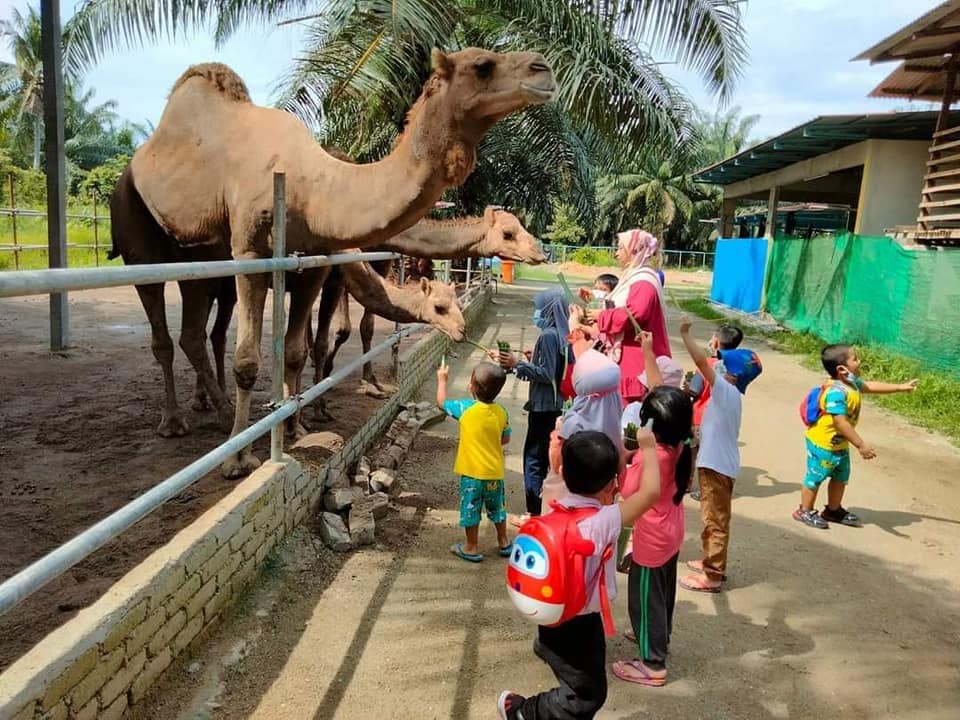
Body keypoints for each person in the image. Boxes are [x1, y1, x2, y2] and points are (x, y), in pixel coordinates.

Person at [497, 429, 661, 720]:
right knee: (587, 695)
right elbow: (650, 493)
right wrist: (648, 448)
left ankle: (546, 648)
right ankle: (524, 712)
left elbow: (561, 471)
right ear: (612, 484)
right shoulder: (603, 522)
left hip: (554, 616)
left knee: (579, 677)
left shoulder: (555, 503)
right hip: (579, 623)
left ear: (563, 470)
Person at [612, 386, 693, 687]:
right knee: (662, 593)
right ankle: (657, 633)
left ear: (652, 427)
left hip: (652, 538)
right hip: (671, 531)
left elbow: (631, 491)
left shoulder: (653, 456)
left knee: (644, 599)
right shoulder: (680, 446)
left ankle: (653, 664)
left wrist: (632, 456)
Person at [676, 315, 762, 593]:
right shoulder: (731, 393)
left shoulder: (726, 390)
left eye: (723, 363)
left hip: (716, 466)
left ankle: (713, 575)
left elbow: (702, 362)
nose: (718, 364)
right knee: (711, 518)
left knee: (715, 521)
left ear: (732, 374)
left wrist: (686, 333)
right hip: (717, 464)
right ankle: (709, 561)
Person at [793, 344, 917, 529]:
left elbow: (869, 386)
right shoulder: (836, 392)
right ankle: (804, 510)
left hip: (840, 445)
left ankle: (833, 510)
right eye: (855, 358)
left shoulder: (850, 381)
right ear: (842, 369)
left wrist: (900, 387)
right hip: (823, 445)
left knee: (840, 477)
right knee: (815, 478)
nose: (859, 361)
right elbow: (840, 422)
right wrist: (860, 445)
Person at [570, 229, 670, 405]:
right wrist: (595, 298)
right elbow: (620, 303)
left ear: (633, 251)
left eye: (620, 248)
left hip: (637, 359)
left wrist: (602, 316)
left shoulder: (644, 281)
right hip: (630, 356)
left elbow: (634, 314)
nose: (616, 254)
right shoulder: (635, 277)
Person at [496, 289, 569, 516]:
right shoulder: (562, 333)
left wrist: (518, 363)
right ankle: (546, 507)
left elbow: (547, 375)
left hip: (544, 406)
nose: (536, 313)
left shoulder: (548, 335)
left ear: (548, 310)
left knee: (533, 460)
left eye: (540, 308)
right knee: (548, 459)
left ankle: (534, 512)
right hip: (556, 404)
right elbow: (554, 370)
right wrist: (530, 361)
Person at [436, 361, 512, 562]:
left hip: (472, 474)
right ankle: (504, 541)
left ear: (473, 386)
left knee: (471, 509)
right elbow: (505, 439)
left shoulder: (465, 408)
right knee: (497, 508)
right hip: (494, 472)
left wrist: (442, 380)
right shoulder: (502, 412)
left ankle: (471, 546)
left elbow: (441, 403)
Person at [688, 324, 743, 501]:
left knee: (693, 453)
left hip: (699, 417)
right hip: (720, 418)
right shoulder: (732, 369)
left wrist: (685, 387)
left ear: (716, 342)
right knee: (710, 453)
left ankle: (689, 483)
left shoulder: (707, 365)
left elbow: (694, 390)